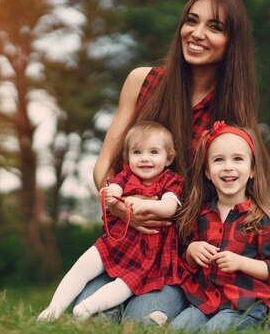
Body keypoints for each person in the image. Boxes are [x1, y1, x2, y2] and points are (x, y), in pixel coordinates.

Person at [76, 0, 270, 325]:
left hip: (179, 256)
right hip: (126, 242)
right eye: (191, 21)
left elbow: (245, 188)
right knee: (81, 318)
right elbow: (105, 163)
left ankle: (234, 319)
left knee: (136, 325)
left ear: (232, 41)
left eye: (215, 27)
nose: (197, 33)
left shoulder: (232, 113)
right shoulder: (142, 81)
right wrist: (121, 207)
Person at [38, 121, 186, 321]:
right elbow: (114, 187)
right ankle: (53, 309)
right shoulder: (126, 176)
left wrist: (146, 205)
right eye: (137, 152)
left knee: (125, 285)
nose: (145, 159)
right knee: (84, 264)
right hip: (117, 239)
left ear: (168, 159)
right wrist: (110, 193)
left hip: (148, 252)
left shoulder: (171, 180)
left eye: (153, 152)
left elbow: (170, 207)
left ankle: (87, 308)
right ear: (128, 157)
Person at [171, 121, 270, 332]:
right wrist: (191, 252)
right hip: (204, 303)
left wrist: (240, 262)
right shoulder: (201, 215)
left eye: (238, 159)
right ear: (207, 172)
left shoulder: (261, 218)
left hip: (244, 306)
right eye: (218, 160)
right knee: (175, 329)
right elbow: (185, 265)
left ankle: (258, 325)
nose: (228, 167)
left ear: (252, 170)